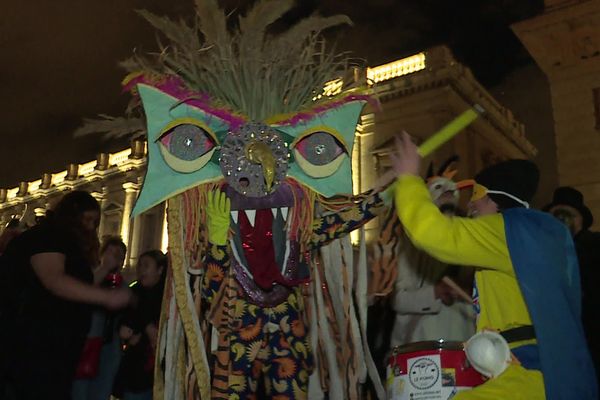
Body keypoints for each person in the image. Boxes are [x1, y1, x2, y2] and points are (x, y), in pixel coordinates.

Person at [388, 132, 597, 399]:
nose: (471, 204)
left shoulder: (507, 230)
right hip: (533, 371)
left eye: (477, 194)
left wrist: (408, 179)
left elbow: (432, 233)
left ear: (495, 199)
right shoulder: (533, 237)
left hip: (525, 373)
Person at [0, 190, 131, 400]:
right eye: (87, 220)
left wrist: (104, 268)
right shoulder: (48, 235)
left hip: (53, 353)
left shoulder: (65, 244)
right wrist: (107, 298)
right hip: (31, 351)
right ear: (72, 215)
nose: (90, 228)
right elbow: (54, 280)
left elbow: (77, 286)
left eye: (95, 222)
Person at [388, 159, 475, 349]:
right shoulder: (410, 243)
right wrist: (435, 292)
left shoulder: (468, 236)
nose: (449, 193)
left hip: (465, 343)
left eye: (452, 191)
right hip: (420, 346)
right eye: (440, 189)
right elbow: (399, 299)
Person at [544, 186, 600, 381]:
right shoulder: (541, 253)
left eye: (568, 215)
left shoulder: (593, 247)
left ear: (581, 222)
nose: (562, 221)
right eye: (557, 215)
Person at [72, 236, 128, 400]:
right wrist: (104, 268)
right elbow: (83, 292)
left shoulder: (123, 285)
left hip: (110, 346)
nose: (115, 258)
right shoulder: (90, 274)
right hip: (88, 342)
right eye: (111, 253)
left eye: (120, 255)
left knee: (102, 391)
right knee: (79, 390)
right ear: (101, 255)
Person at [114, 249, 167, 400]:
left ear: (160, 269)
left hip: (158, 368)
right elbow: (123, 321)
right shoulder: (134, 291)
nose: (141, 270)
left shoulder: (165, 297)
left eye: (146, 265)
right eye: (139, 266)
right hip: (136, 368)